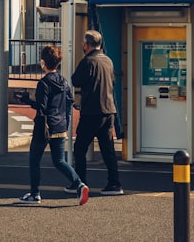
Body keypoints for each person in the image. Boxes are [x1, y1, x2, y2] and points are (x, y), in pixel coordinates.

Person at [14, 44, 89, 206]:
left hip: (44, 127)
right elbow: (69, 103)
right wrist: (67, 124)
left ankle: (35, 194)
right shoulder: (64, 82)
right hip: (61, 126)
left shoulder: (44, 83)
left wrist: (26, 100)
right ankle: (79, 184)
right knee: (60, 161)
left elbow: (42, 108)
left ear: (43, 62)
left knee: (34, 160)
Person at [71, 30, 123, 196]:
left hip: (91, 111)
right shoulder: (107, 60)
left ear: (86, 45)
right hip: (109, 110)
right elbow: (112, 81)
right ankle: (114, 183)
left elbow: (75, 80)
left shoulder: (88, 61)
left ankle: (80, 183)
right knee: (108, 149)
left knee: (79, 149)